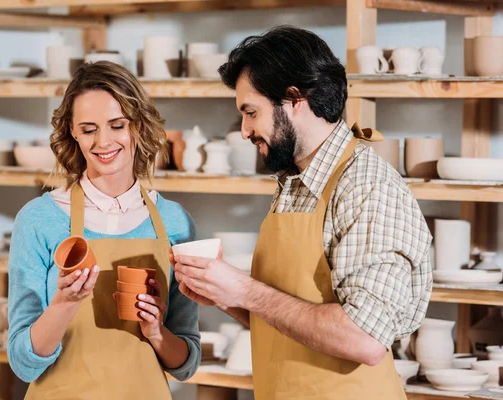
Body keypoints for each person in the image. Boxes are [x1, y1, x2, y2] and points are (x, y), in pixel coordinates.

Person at [173, 26, 432, 399]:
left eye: (251, 112)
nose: (244, 130)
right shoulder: (296, 182)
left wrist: (245, 290)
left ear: (294, 99)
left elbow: (364, 338)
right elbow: (290, 315)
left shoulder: (366, 186)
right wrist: (224, 295)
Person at [7, 61, 200, 399]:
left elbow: (185, 363)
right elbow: (23, 363)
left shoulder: (175, 223)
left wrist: (155, 332)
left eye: (117, 125)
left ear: (138, 126)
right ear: (72, 131)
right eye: (89, 128)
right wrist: (65, 302)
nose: (104, 141)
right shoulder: (39, 219)